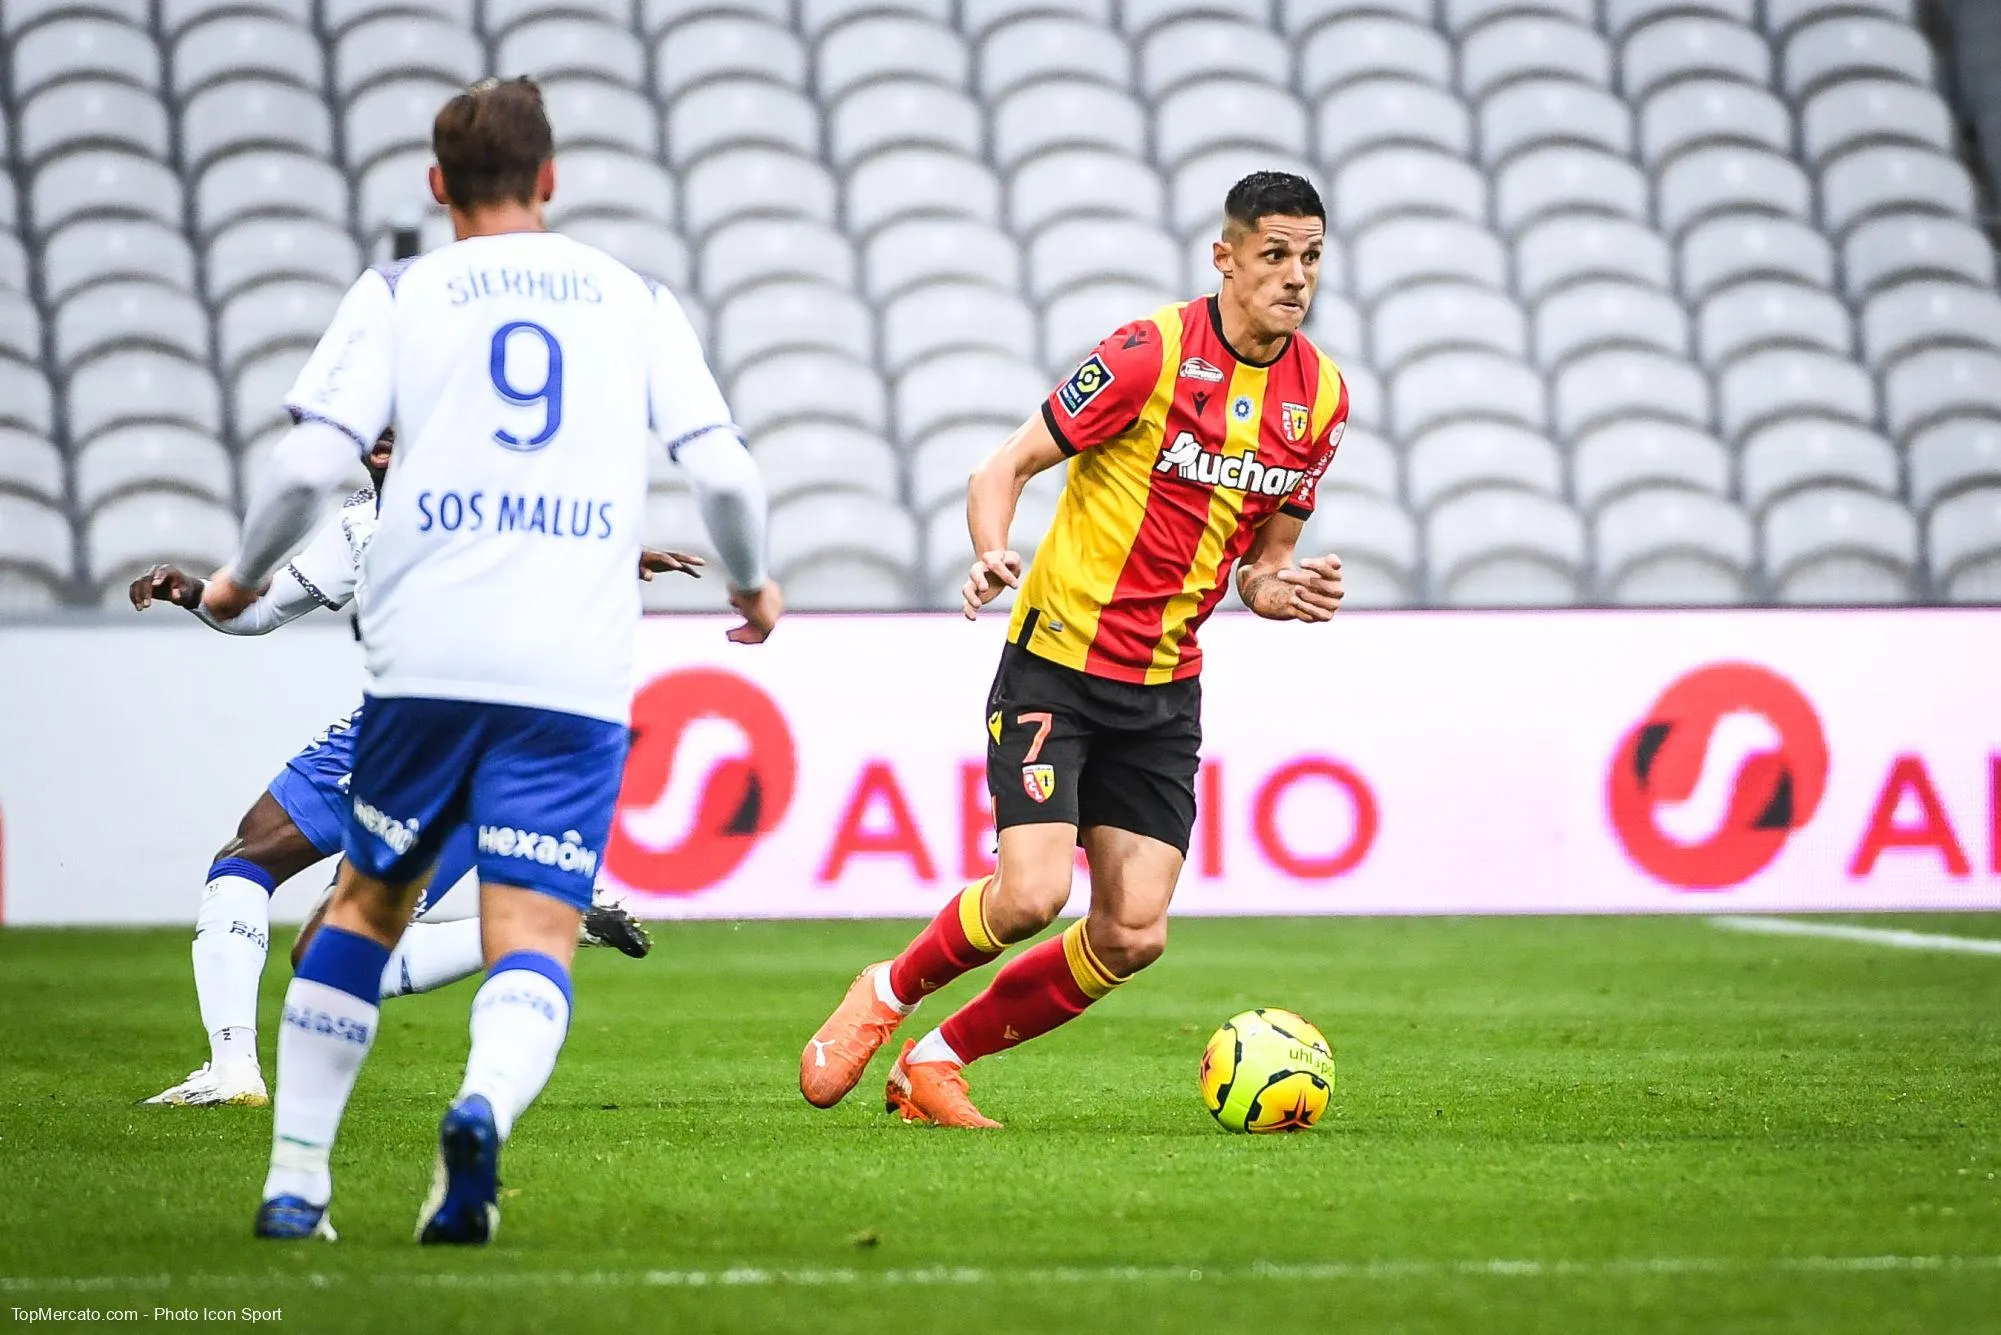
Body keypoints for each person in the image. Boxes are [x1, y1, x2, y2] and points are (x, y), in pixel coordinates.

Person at [202, 77, 777, 1242]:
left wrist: (238, 577)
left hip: (425, 664)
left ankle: (297, 1184)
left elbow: (312, 466)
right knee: (536, 930)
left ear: (436, 188)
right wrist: (754, 585)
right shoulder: (631, 297)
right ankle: (478, 1113)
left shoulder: (401, 290)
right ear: (550, 180)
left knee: (363, 906)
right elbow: (722, 474)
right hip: (567, 672)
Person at [800, 170, 1347, 1128]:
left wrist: (1279, 591)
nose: (1294, 278)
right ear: (1225, 257)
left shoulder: (1323, 398)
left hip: (1167, 688)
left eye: (1308, 257)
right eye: (1273, 256)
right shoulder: (1148, 354)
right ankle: (885, 992)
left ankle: (936, 1064)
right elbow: (1001, 465)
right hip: (1058, 660)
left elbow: (1264, 565)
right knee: (1030, 894)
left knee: (1134, 931)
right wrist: (990, 549)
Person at [130, 427, 679, 1109]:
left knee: (327, 951)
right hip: (383, 728)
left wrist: (608, 560)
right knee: (245, 857)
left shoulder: (483, 506)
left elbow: (551, 547)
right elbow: (260, 611)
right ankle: (231, 1068)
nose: (386, 431)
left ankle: (547, 925)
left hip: (468, 746)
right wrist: (197, 593)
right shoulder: (358, 524)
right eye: (376, 419)